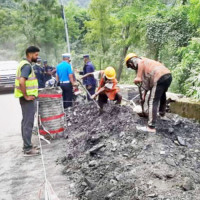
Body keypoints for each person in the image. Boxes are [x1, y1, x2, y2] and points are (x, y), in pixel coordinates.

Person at [125, 53, 172, 133]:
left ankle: (151, 127)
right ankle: (162, 114)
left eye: (130, 67)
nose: (132, 68)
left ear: (131, 63)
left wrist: (138, 77)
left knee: (152, 100)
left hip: (159, 75)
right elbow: (147, 84)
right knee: (162, 95)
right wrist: (143, 96)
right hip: (168, 75)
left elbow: (140, 63)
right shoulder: (148, 64)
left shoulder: (138, 60)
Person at [14, 46, 40, 156]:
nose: (37, 57)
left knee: (25, 121)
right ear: (29, 54)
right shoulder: (26, 66)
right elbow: (21, 82)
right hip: (27, 99)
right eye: (36, 55)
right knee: (28, 122)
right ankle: (28, 149)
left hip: (25, 99)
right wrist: (26, 96)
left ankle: (27, 144)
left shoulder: (23, 64)